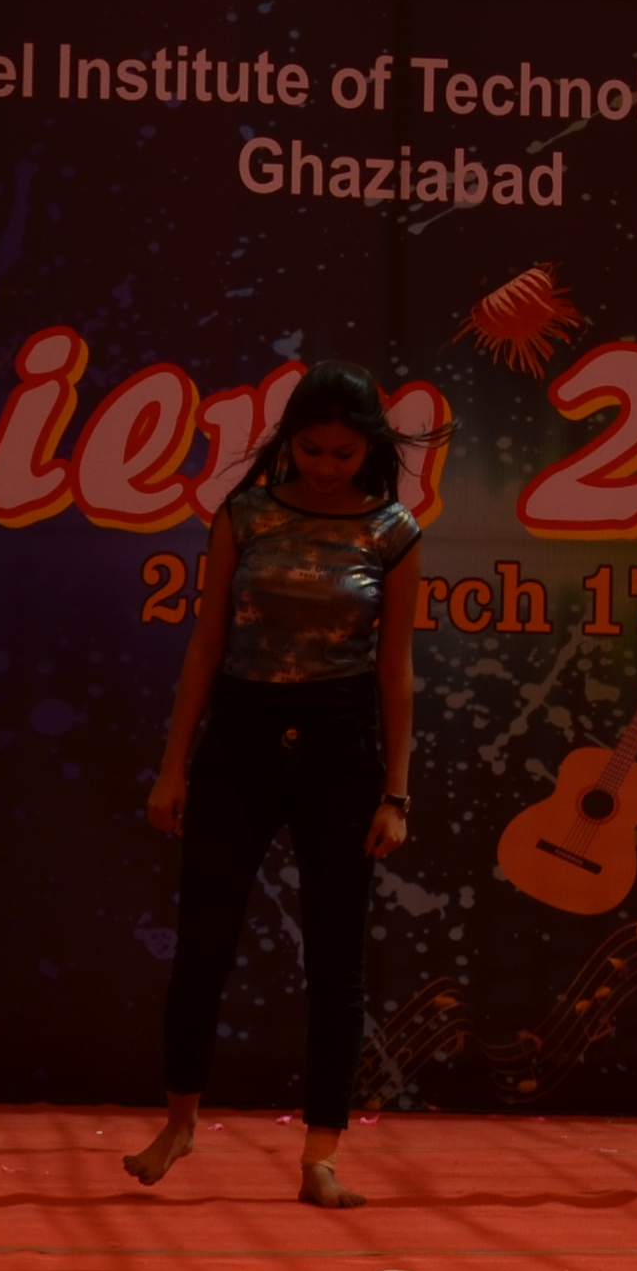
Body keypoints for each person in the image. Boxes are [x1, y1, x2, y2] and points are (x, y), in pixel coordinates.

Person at [126, 364, 423, 1206]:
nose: (326, 466)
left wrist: (396, 792)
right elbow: (206, 643)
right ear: (287, 442)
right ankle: (180, 1121)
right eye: (311, 449)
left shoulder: (393, 530)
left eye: (343, 453)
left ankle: (321, 1153)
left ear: (369, 450)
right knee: (203, 944)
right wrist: (174, 765)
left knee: (336, 961)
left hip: (341, 749)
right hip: (241, 740)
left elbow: (395, 669)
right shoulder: (245, 514)